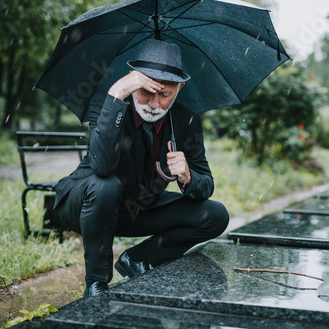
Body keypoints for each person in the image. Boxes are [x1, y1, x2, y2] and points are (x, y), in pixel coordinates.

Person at [53, 39, 229, 298]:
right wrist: (118, 93)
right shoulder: (106, 102)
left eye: (165, 94)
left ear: (180, 87)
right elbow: (101, 166)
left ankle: (138, 258)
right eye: (147, 92)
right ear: (133, 81)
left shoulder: (186, 119)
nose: (154, 104)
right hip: (87, 205)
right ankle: (96, 285)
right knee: (105, 185)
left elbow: (206, 184)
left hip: (139, 208)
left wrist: (188, 175)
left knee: (215, 214)